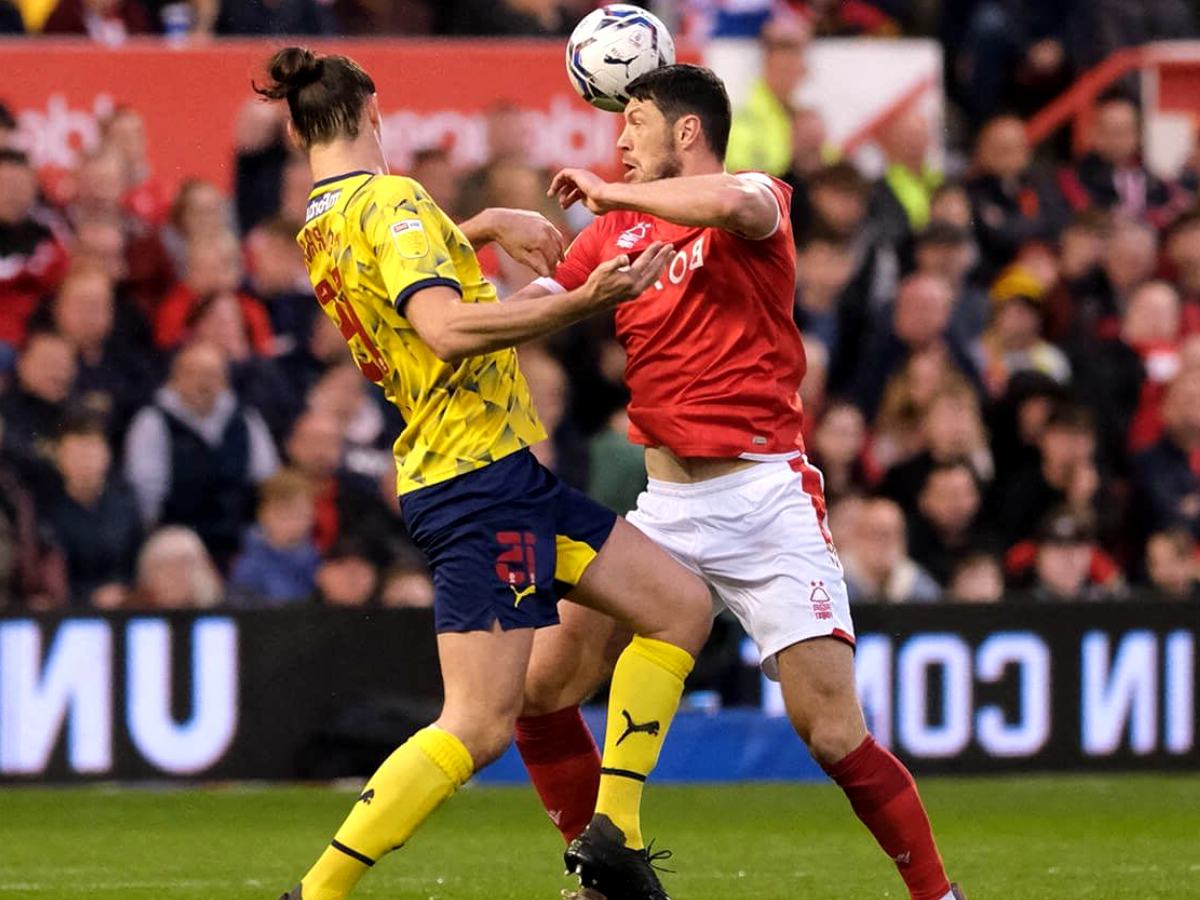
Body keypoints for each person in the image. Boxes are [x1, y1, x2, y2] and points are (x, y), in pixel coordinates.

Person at [257, 47, 711, 900]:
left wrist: (486, 222)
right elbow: (444, 328)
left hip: (497, 474)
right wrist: (584, 301)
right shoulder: (389, 200)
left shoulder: (324, 220)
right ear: (376, 112)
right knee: (476, 724)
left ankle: (613, 841)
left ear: (296, 128)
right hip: (475, 484)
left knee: (679, 606)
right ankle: (315, 893)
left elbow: (402, 281)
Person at [516, 63, 963, 900]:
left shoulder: (758, 198)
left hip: (766, 500)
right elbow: (534, 304)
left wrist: (616, 195)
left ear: (687, 132)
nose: (618, 139)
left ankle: (940, 896)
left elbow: (729, 203)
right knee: (538, 691)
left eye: (634, 123)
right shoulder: (611, 237)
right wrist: (461, 266)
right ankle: (606, 876)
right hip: (666, 507)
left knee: (831, 732)